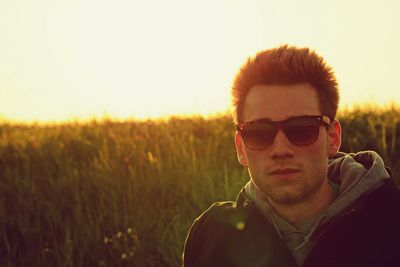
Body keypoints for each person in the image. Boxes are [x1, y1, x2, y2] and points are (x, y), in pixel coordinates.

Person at [182, 45, 400, 267]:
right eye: (259, 132)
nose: (280, 149)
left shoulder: (392, 225)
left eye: (302, 128)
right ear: (240, 147)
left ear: (332, 138)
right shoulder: (210, 237)